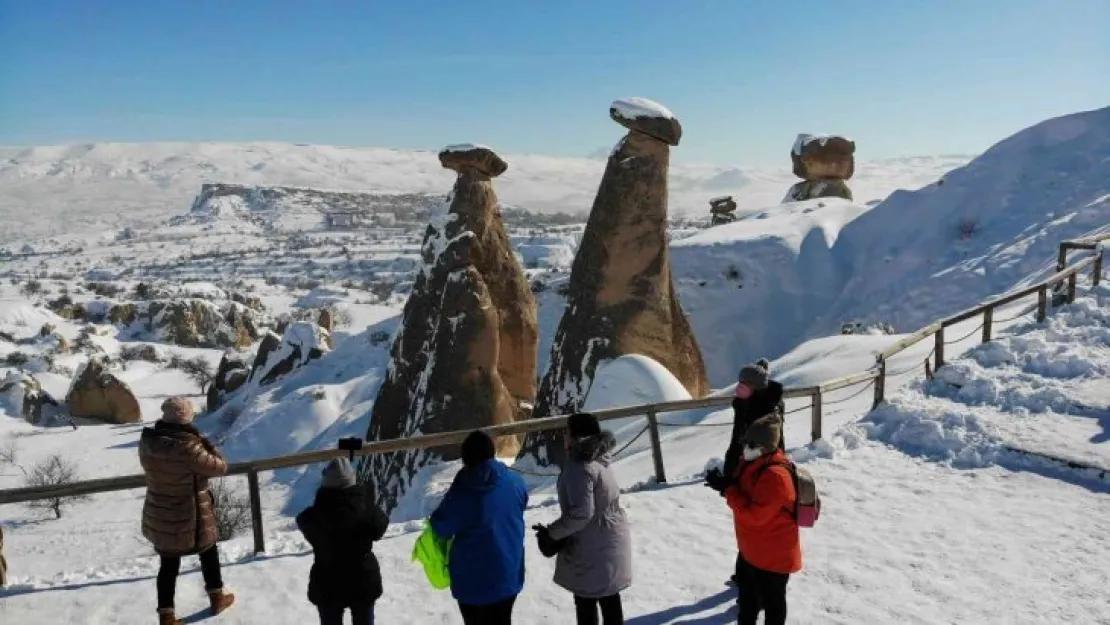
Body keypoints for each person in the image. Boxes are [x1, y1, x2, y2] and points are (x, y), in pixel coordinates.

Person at [138, 397, 236, 625]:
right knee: (209, 552)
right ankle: (217, 598)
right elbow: (220, 466)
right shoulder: (188, 447)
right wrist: (205, 442)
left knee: (168, 564)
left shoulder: (148, 441)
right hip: (190, 513)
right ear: (186, 418)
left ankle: (166, 616)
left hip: (160, 510)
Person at [534, 413, 632, 625]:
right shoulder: (601, 458)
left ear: (575, 436)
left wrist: (551, 533)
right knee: (609, 598)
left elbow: (582, 513)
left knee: (586, 602)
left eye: (567, 432)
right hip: (609, 539)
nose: (564, 437)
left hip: (592, 546)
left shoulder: (581, 466)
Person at [429, 430, 528, 625]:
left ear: (466, 460)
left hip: (473, 584)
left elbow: (441, 526)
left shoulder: (463, 491)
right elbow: (520, 503)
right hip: (508, 575)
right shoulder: (515, 482)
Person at [712, 415, 801, 625]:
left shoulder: (775, 476)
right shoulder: (753, 464)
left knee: (773, 607)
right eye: (745, 442)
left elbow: (754, 516)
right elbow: (744, 491)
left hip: (773, 557)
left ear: (766, 447)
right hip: (753, 549)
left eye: (752, 444)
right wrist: (725, 483)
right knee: (748, 603)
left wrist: (728, 490)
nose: (746, 448)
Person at [716, 357, 785, 587]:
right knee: (747, 525)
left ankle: (753, 585)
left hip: (758, 473)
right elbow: (736, 442)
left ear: (754, 390)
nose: (737, 389)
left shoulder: (764, 414)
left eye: (743, 386)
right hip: (744, 469)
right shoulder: (749, 405)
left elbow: (765, 448)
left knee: (756, 525)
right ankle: (744, 576)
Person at [296, 457, 389, 625]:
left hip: (327, 582)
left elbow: (303, 522)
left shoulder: (313, 516)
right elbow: (380, 528)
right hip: (363, 579)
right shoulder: (366, 510)